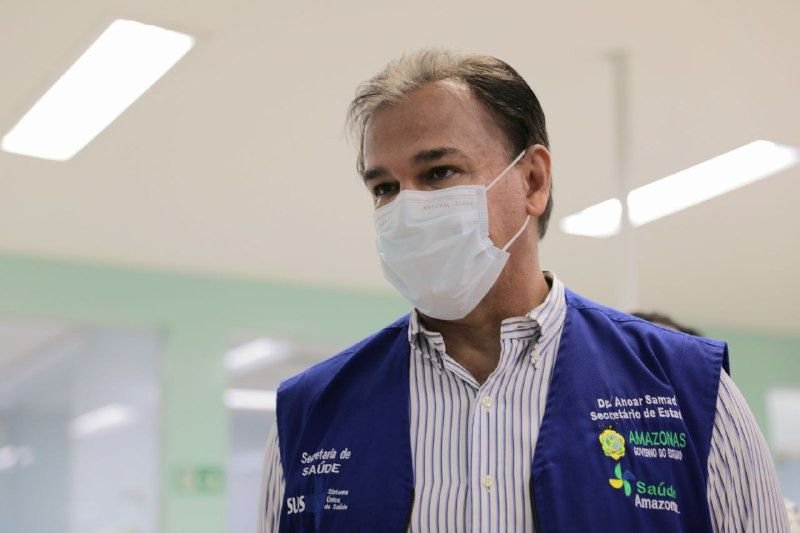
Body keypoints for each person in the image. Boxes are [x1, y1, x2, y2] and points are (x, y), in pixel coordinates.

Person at [259, 49, 789, 532]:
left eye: (439, 172)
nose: (406, 209)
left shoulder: (688, 392)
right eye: (384, 188)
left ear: (533, 180)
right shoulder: (310, 415)